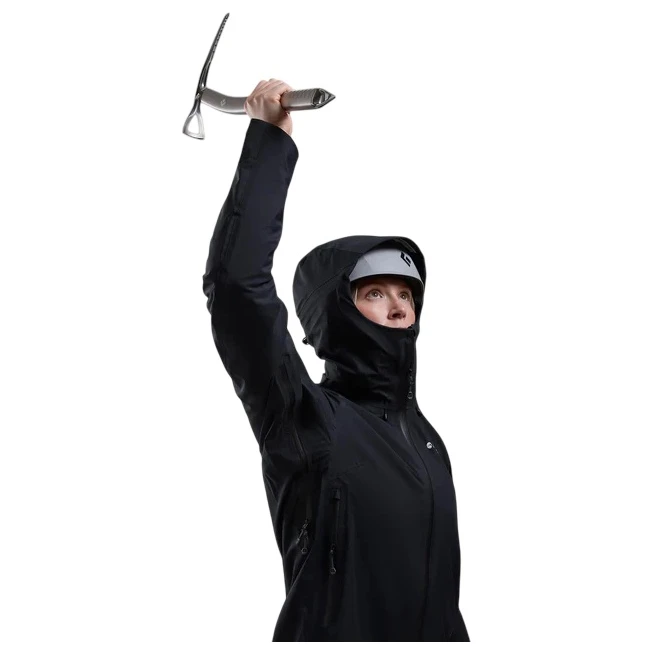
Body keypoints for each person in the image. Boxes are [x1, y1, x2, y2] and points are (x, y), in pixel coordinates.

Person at [202, 79, 470, 642]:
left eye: (406, 293)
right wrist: (270, 140)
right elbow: (237, 288)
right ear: (335, 313)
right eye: (374, 292)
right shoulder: (305, 419)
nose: (398, 306)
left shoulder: (428, 441)